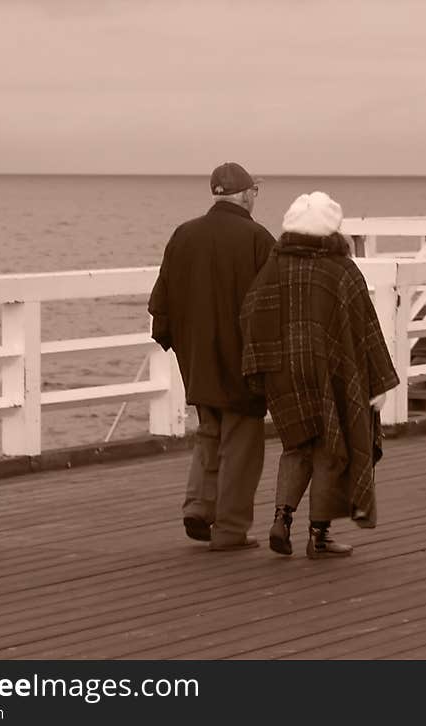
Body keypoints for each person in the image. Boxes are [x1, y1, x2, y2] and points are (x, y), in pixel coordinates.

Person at [240, 191, 400, 559]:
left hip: (283, 372)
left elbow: (251, 312)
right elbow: (365, 328)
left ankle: (282, 519)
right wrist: (378, 382)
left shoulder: (273, 266)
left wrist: (261, 367)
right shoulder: (340, 269)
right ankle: (319, 536)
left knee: (296, 445)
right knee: (332, 447)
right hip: (331, 371)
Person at [148, 162, 276, 551]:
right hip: (243, 360)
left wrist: (183, 347)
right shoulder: (258, 239)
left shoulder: (184, 235)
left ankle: (200, 506)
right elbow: (272, 306)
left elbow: (161, 305)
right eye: (255, 190)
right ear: (246, 194)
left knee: (209, 431)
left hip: (197, 358)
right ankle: (230, 529)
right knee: (242, 440)